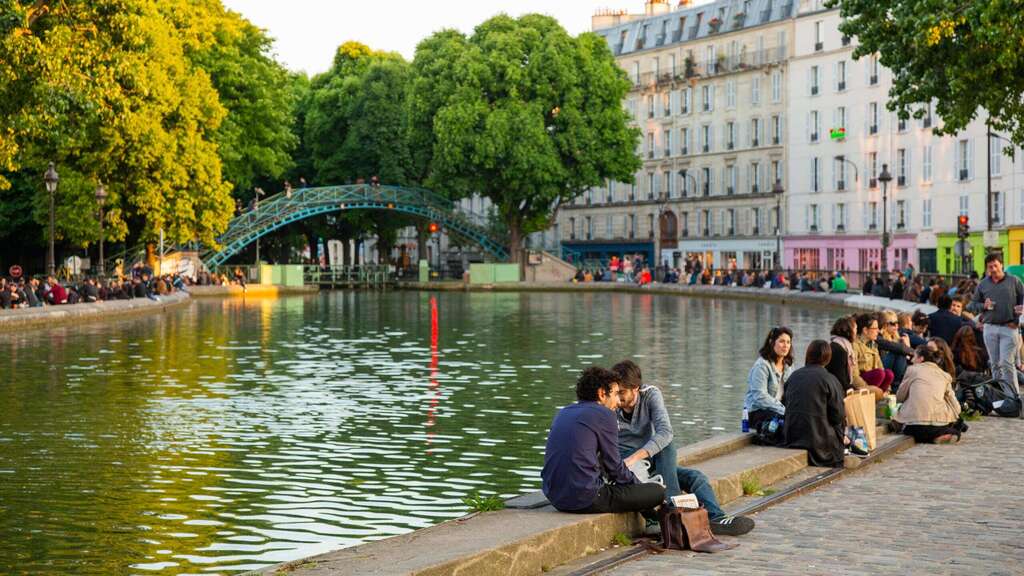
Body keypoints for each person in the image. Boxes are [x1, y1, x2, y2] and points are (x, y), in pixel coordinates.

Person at [612, 361, 754, 536]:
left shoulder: (650, 395)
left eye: (622, 392)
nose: (618, 398)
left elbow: (665, 432)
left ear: (635, 388)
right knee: (668, 448)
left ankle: (716, 519)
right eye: (616, 392)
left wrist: (636, 457)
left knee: (695, 477)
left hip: (645, 458)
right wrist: (628, 462)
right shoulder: (609, 403)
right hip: (627, 466)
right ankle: (674, 513)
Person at [541, 367, 665, 514]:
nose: (618, 401)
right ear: (601, 394)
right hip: (586, 499)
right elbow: (615, 467)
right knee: (657, 491)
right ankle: (652, 516)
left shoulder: (563, 412)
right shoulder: (605, 414)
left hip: (554, 497)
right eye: (614, 394)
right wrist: (639, 488)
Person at [782, 340, 847, 467]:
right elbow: (838, 416)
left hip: (792, 436)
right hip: (819, 442)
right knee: (840, 423)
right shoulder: (831, 379)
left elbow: (785, 404)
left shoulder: (794, 376)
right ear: (828, 358)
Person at [968, 253, 1024, 394]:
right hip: (990, 327)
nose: (993, 269)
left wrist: (1018, 320)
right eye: (990, 267)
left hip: (1009, 327)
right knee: (994, 364)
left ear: (1001, 265)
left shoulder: (1014, 281)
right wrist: (983, 306)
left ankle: (1013, 397)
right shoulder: (983, 284)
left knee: (1006, 363)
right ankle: (999, 395)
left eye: (995, 265)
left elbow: (1023, 300)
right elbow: (971, 305)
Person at [895, 345, 966, 444]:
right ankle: (939, 436)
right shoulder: (944, 375)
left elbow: (900, 397)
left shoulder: (912, 370)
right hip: (939, 422)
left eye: (914, 357)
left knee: (911, 431)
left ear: (921, 359)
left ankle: (935, 437)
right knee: (954, 431)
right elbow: (955, 406)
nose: (912, 360)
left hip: (915, 423)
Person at [744, 326, 795, 431]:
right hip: (758, 412)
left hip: (779, 410)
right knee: (786, 423)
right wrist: (783, 410)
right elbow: (760, 397)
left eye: (788, 342)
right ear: (772, 342)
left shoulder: (789, 366)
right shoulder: (762, 365)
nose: (785, 345)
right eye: (781, 341)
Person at [853, 313, 893, 400]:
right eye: (875, 328)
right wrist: (868, 389)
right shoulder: (855, 345)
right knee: (879, 373)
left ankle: (879, 398)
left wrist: (888, 389)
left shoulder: (873, 344)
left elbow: (880, 366)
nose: (878, 331)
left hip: (875, 381)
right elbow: (854, 375)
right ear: (865, 330)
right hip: (863, 383)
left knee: (889, 373)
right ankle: (871, 398)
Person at [876, 310, 914, 389]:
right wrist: (910, 350)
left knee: (900, 351)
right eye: (893, 324)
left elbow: (908, 361)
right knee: (898, 351)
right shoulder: (879, 337)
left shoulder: (899, 338)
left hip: (895, 371)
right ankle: (896, 386)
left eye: (897, 323)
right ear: (885, 325)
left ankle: (899, 384)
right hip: (882, 368)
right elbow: (899, 349)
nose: (896, 326)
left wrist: (908, 346)